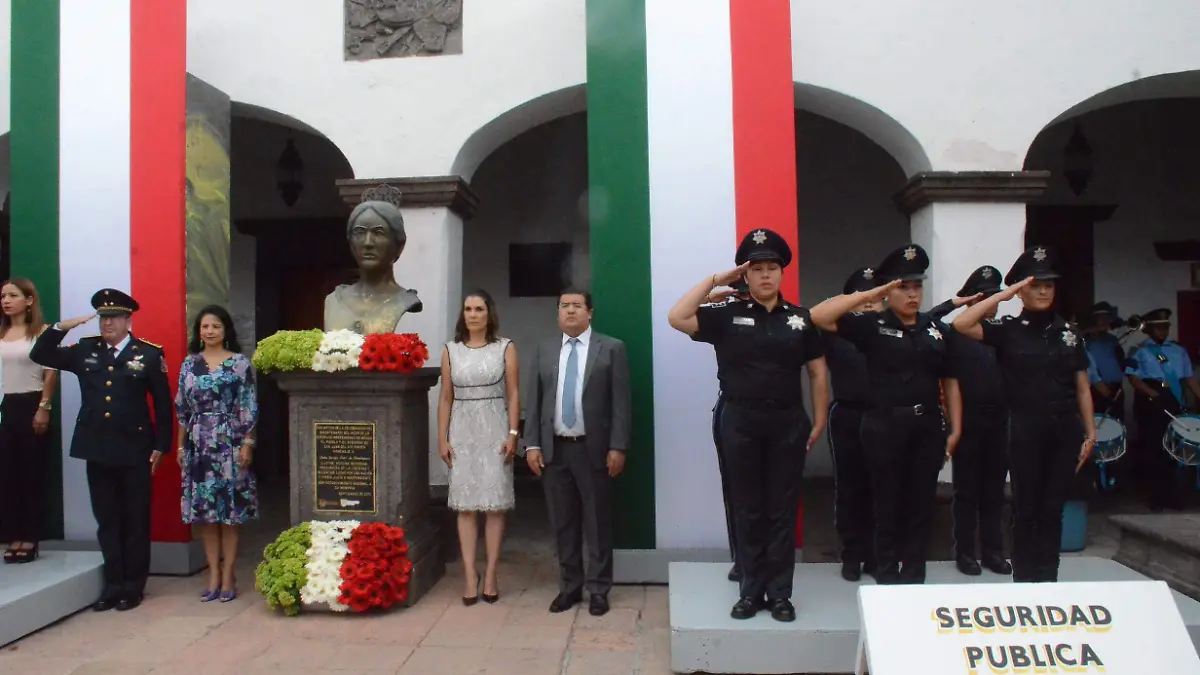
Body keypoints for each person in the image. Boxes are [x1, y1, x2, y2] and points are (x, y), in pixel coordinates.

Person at [668, 228, 828, 621]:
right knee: (748, 507)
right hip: (740, 418)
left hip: (787, 420)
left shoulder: (800, 319)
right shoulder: (726, 315)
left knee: (782, 508)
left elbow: (818, 372)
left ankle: (780, 594)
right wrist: (716, 281)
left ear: (782, 273)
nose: (766, 275)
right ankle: (750, 590)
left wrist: (820, 418)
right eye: (757, 268)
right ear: (746, 274)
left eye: (772, 267)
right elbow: (677, 317)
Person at [811, 244, 962, 585]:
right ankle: (885, 573)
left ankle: (913, 575)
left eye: (916, 286)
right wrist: (877, 290)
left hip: (926, 426)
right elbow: (819, 316)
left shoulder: (934, 329)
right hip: (884, 424)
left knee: (920, 503)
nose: (911, 294)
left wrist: (954, 428)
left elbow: (949, 380)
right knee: (885, 502)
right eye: (902, 287)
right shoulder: (873, 326)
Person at [952, 246, 1096, 583]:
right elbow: (962, 324)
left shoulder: (1069, 334)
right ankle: (1026, 581)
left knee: (1053, 509)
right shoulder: (1008, 330)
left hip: (1064, 428)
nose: (1044, 290)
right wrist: (1007, 292)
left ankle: (1048, 580)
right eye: (1035, 285)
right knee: (1026, 507)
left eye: (1049, 284)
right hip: (1024, 427)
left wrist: (1090, 432)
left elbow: (1082, 386)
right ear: (1021, 290)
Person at [30, 289, 172, 610]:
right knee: (107, 518)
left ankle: (133, 587)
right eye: (103, 317)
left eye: (114, 317)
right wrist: (62, 326)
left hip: (135, 449)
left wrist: (162, 446)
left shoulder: (147, 354)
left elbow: (163, 407)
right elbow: (41, 354)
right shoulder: (85, 349)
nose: (107, 323)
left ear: (127, 319)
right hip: (97, 448)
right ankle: (113, 584)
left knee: (134, 519)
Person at [522, 289, 631, 617]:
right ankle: (569, 587)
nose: (570, 311)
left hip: (593, 449)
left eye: (577, 306)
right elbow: (535, 399)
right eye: (564, 306)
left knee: (597, 523)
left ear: (590, 312)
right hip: (555, 451)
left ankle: (598, 589)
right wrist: (531, 445)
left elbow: (621, 404)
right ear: (558, 312)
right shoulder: (544, 350)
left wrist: (618, 445)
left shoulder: (611, 349)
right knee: (562, 523)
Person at [437, 289, 519, 605]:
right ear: (463, 314)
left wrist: (513, 432)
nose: (473, 314)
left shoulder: (505, 347)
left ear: (489, 313)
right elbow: (446, 396)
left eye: (479, 309)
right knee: (466, 506)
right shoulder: (450, 350)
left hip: (495, 428)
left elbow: (513, 393)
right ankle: (470, 574)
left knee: (495, 505)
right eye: (468, 309)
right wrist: (441, 437)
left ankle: (493, 571)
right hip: (462, 430)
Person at [176, 305, 258, 603]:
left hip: (230, 442)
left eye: (215, 326)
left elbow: (248, 405)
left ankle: (229, 574)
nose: (209, 331)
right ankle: (212, 573)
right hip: (198, 444)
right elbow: (182, 410)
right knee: (207, 517)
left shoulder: (239, 364)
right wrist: (181, 446)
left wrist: (248, 443)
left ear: (226, 331)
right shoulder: (189, 364)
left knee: (229, 515)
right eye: (204, 326)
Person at [944, 266, 1012, 577]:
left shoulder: (1006, 332)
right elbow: (950, 381)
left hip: (999, 420)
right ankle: (965, 552)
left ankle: (994, 551)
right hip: (968, 420)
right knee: (967, 490)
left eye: (995, 295)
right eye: (983, 296)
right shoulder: (956, 333)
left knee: (995, 490)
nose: (991, 301)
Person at [823, 267, 883, 582]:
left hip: (883, 416)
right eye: (863, 297)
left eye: (876, 297)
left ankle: (875, 554)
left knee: (880, 487)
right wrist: (850, 303)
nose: (870, 304)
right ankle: (851, 554)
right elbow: (817, 315)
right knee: (849, 488)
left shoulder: (892, 331)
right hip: (847, 415)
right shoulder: (835, 331)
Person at [0, 278, 58, 563]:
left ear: (29, 300)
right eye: (3, 296)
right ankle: (13, 534)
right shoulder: (2, 333)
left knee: (31, 472)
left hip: (32, 402)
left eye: (12, 295)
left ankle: (31, 537)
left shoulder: (40, 333)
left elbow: (50, 372)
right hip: (6, 404)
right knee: (8, 473)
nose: (6, 301)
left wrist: (44, 407)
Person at [1125, 308, 1200, 511]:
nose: (1162, 331)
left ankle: (1173, 496)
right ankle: (1156, 498)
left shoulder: (1178, 350)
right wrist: (1153, 394)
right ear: (1148, 329)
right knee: (1153, 450)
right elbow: (1133, 378)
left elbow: (1189, 378)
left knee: (1175, 451)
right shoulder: (1138, 350)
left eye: (1165, 326)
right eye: (1158, 327)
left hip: (1173, 401)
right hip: (1150, 402)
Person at [324, 186, 422, 335]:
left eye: (378, 232)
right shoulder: (334, 300)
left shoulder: (404, 301)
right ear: (351, 243)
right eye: (360, 232)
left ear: (399, 245)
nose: (368, 242)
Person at [704, 279, 750, 583]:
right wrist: (715, 294)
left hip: (775, 411)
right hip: (733, 408)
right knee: (737, 492)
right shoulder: (725, 319)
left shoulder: (783, 318)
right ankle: (742, 560)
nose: (747, 298)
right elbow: (682, 313)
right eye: (741, 293)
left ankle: (767, 563)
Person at [1085, 302, 1126, 422]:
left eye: (1107, 317)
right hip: (1097, 389)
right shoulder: (1085, 340)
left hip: (1116, 388)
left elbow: (1119, 360)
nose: (1104, 321)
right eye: (1100, 318)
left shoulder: (1112, 340)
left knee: (1117, 424)